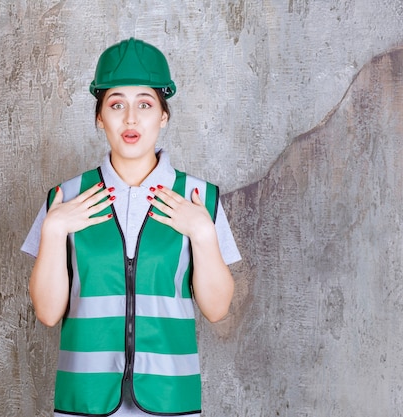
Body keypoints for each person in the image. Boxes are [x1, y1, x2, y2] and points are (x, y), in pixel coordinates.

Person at [21, 38, 241, 417]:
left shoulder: (199, 198)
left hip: (170, 401)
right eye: (116, 104)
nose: (131, 119)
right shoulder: (64, 198)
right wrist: (54, 229)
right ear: (99, 117)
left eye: (145, 104)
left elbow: (218, 309)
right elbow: (47, 311)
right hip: (84, 401)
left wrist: (203, 235)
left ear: (163, 115)